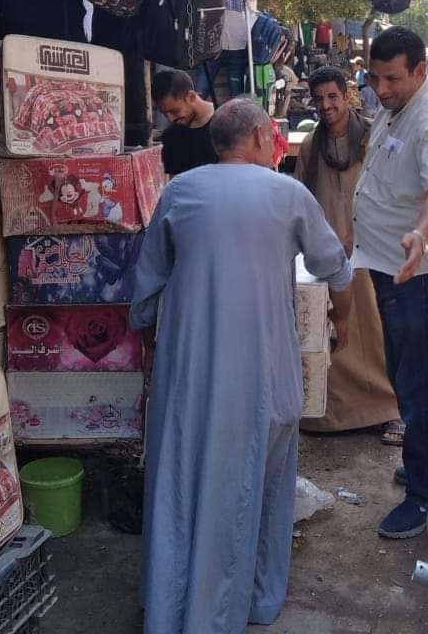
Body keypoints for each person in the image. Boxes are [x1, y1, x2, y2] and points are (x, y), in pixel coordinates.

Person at [130, 98, 354, 634]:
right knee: (261, 485)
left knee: (180, 483)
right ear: (259, 136)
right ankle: (252, 602)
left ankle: (168, 608)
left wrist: (149, 348)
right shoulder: (287, 193)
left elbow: (146, 286)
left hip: (188, 368)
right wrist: (340, 325)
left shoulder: (179, 190)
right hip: (262, 368)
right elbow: (334, 270)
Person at [353, 27, 428, 540]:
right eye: (375, 77)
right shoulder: (396, 106)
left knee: (417, 382)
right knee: (424, 370)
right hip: (393, 262)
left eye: (393, 78)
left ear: (422, 72)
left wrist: (421, 235)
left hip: (418, 269)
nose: (381, 88)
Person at [295, 67, 403, 442]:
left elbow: (395, 189)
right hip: (327, 257)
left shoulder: (375, 136)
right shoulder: (311, 145)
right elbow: (301, 198)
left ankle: (390, 409)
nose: (326, 106)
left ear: (348, 97)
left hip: (372, 250)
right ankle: (330, 413)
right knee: (331, 330)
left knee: (376, 328)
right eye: (319, 99)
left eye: (332, 97)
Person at [152, 70, 217, 178]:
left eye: (174, 111)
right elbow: (176, 185)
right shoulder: (171, 136)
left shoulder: (227, 122)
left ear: (191, 96)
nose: (170, 119)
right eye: (165, 114)